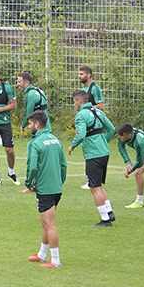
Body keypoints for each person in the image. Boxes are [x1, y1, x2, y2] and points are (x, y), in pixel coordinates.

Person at [68, 90, 116, 226]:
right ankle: (109, 212)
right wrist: (102, 142)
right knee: (98, 186)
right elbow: (111, 129)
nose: (73, 105)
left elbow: (81, 133)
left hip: (93, 154)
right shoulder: (99, 112)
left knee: (94, 187)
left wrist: (73, 146)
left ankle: (105, 220)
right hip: (104, 152)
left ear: (80, 101)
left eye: (74, 102)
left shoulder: (81, 115)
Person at [24, 111, 66, 268]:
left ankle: (55, 260)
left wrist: (29, 183)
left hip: (45, 189)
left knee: (50, 224)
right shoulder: (56, 140)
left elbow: (32, 166)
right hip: (56, 187)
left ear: (36, 124)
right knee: (45, 222)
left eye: (29, 124)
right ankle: (42, 254)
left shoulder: (34, 143)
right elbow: (63, 165)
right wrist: (60, 181)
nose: (28, 127)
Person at [79, 65, 104, 189]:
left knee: (92, 152)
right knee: (86, 151)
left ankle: (93, 181)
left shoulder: (95, 88)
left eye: (82, 74)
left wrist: (88, 109)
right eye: (79, 74)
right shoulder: (83, 90)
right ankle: (90, 179)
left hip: (94, 124)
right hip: (85, 123)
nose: (79, 76)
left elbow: (100, 105)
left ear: (88, 75)